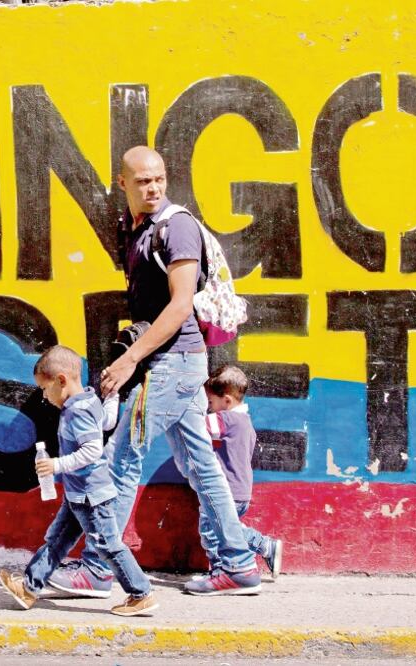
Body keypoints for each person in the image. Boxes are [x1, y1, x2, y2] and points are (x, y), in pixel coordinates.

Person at [48, 146, 263, 597]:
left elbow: (181, 304)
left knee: (120, 460)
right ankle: (240, 564)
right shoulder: (136, 228)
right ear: (122, 183)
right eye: (143, 180)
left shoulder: (177, 227)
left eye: (159, 178)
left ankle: (98, 569)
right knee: (203, 467)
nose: (154, 187)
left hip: (174, 364)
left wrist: (129, 360)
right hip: (172, 363)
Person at [0, 345, 159, 617]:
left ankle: (141, 594)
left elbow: (93, 449)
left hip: (92, 495)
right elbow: (106, 423)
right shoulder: (88, 401)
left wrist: (57, 464)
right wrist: (111, 398)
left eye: (45, 389)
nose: (45, 397)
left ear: (62, 380)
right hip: (78, 495)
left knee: (107, 545)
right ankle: (29, 588)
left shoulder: (77, 411)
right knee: (56, 540)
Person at [202, 365, 282, 580]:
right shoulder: (245, 423)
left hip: (226, 490)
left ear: (226, 401)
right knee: (225, 529)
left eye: (210, 402)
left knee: (213, 531)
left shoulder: (226, 419)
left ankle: (224, 568)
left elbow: (196, 426)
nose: (208, 407)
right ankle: (261, 549)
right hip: (241, 491)